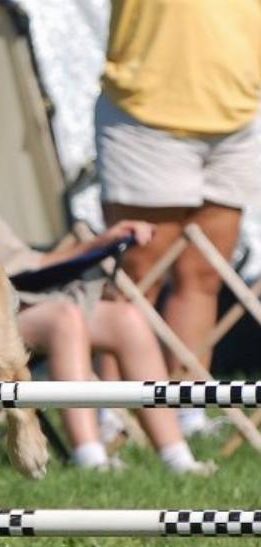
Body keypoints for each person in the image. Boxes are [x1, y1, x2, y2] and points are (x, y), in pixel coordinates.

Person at [0, 84, 214, 474]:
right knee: (63, 317)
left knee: (126, 318)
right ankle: (91, 456)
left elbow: (30, 263)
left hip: (9, 308)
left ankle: (177, 457)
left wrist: (101, 241)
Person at [95, 0, 261, 436]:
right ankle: (112, 413)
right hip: (145, 111)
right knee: (137, 275)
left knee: (204, 276)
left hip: (237, 112)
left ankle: (187, 409)